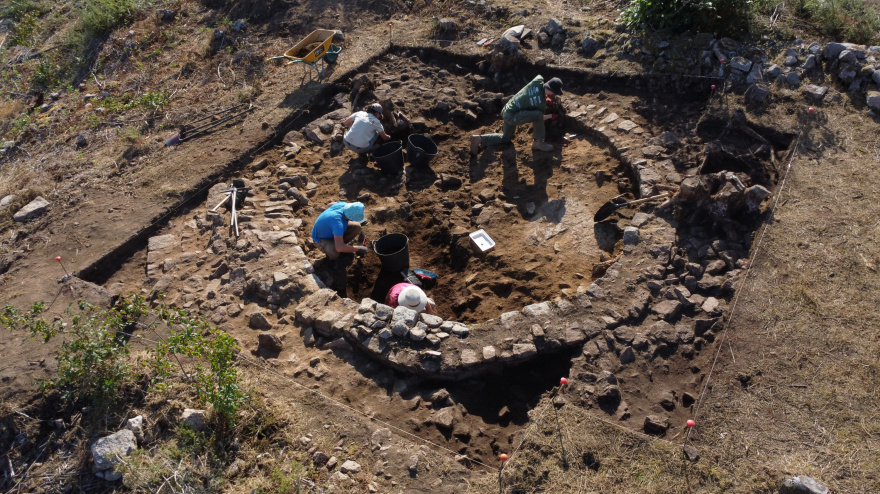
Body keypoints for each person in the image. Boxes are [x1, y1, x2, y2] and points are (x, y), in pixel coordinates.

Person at [470, 76, 563, 155]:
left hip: (507, 109)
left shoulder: (538, 80)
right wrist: (551, 116)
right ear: (552, 91)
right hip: (512, 116)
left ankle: (478, 139)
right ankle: (538, 143)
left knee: (506, 138)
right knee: (538, 114)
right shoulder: (541, 104)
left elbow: (533, 95)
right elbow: (539, 118)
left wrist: (543, 97)